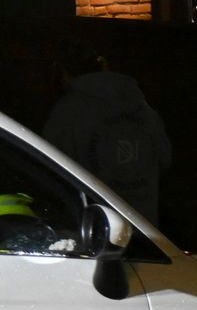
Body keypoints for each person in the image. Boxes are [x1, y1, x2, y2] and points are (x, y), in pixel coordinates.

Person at [43, 42, 171, 225]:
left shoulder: (68, 111)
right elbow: (164, 159)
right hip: (145, 225)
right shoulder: (143, 108)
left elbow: (50, 167)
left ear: (62, 72)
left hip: (96, 227)